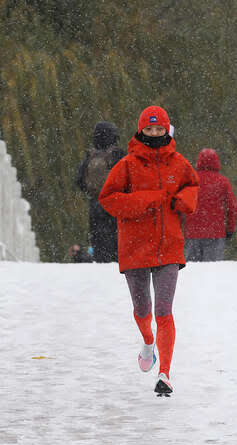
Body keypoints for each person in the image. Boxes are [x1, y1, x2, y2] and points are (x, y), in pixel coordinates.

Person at [98, 106, 199, 396]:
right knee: (143, 310)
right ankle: (147, 340)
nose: (154, 133)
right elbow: (108, 198)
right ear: (140, 131)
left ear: (167, 130)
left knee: (163, 310)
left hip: (169, 247)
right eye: (149, 129)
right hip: (135, 249)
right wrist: (146, 201)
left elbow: (192, 186)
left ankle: (164, 373)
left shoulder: (179, 163)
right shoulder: (127, 165)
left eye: (159, 129)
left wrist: (183, 201)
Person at [75, 121, 126, 262]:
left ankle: (101, 262)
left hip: (95, 204)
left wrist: (92, 192)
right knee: (117, 237)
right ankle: (117, 262)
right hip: (116, 202)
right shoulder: (119, 155)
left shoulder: (90, 156)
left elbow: (79, 180)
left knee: (98, 237)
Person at [184, 148, 237, 261]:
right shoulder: (223, 182)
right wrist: (230, 229)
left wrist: (180, 229)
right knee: (213, 269)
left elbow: (181, 205)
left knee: (193, 268)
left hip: (192, 233)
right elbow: (232, 208)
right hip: (215, 234)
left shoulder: (191, 180)